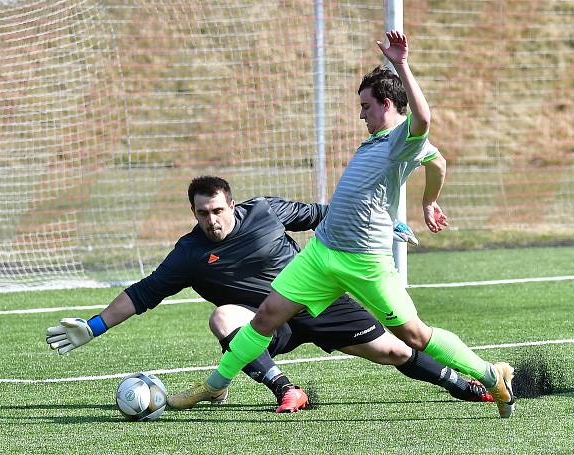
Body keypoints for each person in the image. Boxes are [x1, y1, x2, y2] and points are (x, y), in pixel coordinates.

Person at [169, 30, 516, 418]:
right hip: (321, 254)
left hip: (363, 262)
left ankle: (491, 375)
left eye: (366, 106)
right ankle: (212, 386)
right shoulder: (385, 141)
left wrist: (401, 64)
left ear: (387, 105)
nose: (361, 114)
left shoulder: (402, 139)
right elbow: (438, 162)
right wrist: (429, 200)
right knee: (266, 316)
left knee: (413, 336)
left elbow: (424, 119)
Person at [46, 176, 491, 413]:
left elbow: (324, 213)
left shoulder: (265, 211)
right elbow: (142, 293)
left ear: (232, 205)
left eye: (218, 210)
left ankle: (462, 384)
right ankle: (286, 389)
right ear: (194, 213)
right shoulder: (188, 254)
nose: (212, 220)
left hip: (316, 300)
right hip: (264, 322)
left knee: (395, 350)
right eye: (202, 213)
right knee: (223, 317)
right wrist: (95, 325)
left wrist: (385, 222)